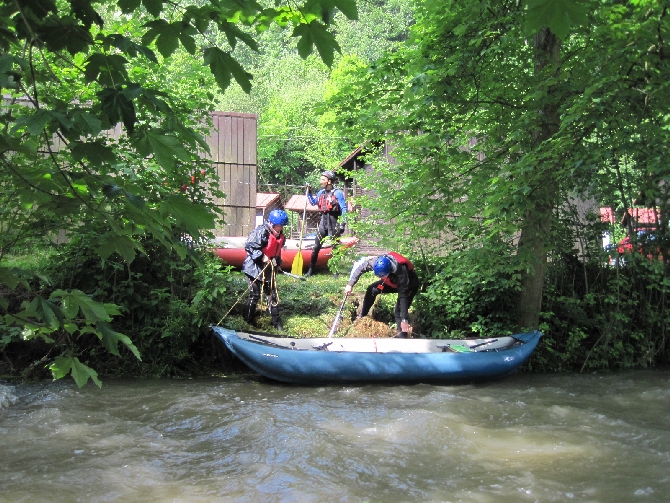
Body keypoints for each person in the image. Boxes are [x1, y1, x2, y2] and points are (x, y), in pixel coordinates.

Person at [344, 252, 420, 338]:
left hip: (409, 286)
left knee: (398, 312)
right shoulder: (375, 262)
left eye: (383, 276)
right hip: (392, 282)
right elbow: (361, 268)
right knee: (372, 289)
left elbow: (403, 296)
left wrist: (404, 319)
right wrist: (350, 284)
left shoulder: (401, 272)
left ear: (389, 270)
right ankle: (362, 316)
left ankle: (403, 337)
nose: (381, 278)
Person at [241, 209, 289, 331]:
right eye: (279, 226)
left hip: (268, 269)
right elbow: (249, 246)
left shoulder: (280, 236)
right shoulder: (261, 232)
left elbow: (276, 252)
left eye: (282, 226)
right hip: (253, 268)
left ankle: (276, 322)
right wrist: (262, 256)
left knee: (272, 295)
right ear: (272, 224)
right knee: (255, 294)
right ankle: (248, 320)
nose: (281, 228)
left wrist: (277, 264)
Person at [304, 170, 347, 277]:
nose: (320, 181)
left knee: (335, 248)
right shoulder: (321, 193)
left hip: (334, 222)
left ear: (329, 181)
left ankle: (335, 271)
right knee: (316, 247)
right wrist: (309, 192)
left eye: (323, 179)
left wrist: (342, 223)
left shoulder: (338, 193)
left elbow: (344, 208)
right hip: (323, 223)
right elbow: (313, 202)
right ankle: (310, 269)